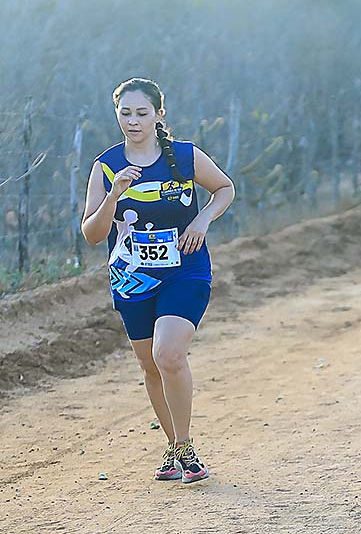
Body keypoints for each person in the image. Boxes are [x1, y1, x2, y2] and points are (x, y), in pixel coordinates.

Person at [81, 77, 235, 483]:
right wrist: (113, 194)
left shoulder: (184, 157)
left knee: (169, 354)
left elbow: (224, 188)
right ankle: (172, 445)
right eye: (125, 113)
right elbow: (92, 234)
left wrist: (202, 219)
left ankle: (185, 448)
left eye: (142, 113)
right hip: (132, 277)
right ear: (116, 114)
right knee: (150, 365)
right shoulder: (106, 165)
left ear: (158, 115)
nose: (133, 121)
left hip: (185, 268)